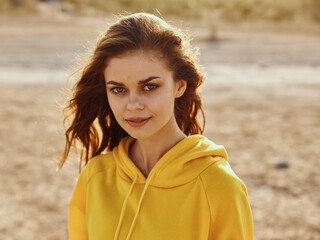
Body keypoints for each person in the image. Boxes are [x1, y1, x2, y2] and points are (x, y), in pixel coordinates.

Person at [59, 12, 254, 240]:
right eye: (118, 89)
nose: (133, 105)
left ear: (179, 86)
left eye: (149, 87)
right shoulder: (95, 177)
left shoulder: (219, 186)